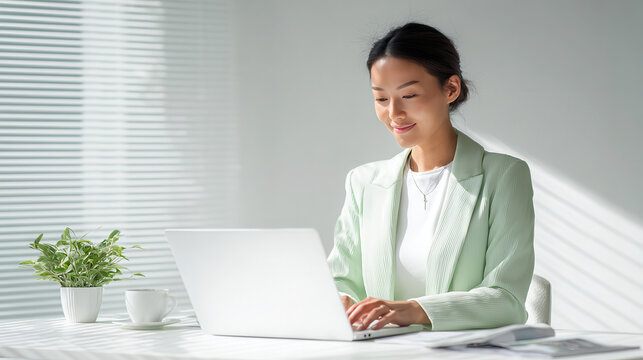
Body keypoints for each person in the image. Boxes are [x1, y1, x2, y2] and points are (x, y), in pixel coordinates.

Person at [326, 22, 535, 332]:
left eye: (409, 95)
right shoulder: (364, 182)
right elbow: (342, 279)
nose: (394, 113)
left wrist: (414, 310)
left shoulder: (503, 176)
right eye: (381, 99)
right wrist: (339, 300)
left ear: (450, 89)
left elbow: (506, 300)